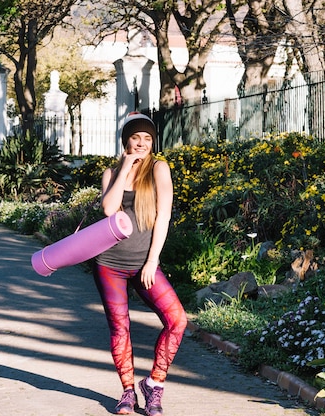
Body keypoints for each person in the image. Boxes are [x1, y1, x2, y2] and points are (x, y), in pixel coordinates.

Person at [94, 112, 187, 416]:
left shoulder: (159, 169)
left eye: (148, 138)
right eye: (136, 137)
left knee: (177, 320)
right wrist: (125, 167)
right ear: (126, 141)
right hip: (109, 263)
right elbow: (109, 209)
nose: (142, 143)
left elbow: (163, 217)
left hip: (143, 263)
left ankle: (154, 384)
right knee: (120, 328)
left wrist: (152, 261)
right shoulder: (111, 172)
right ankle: (127, 393)